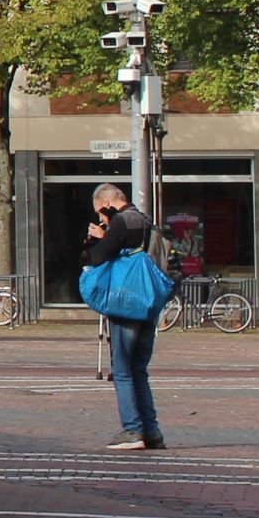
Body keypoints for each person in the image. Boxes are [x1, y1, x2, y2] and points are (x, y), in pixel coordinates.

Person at [83, 182, 167, 452]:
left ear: (107, 202)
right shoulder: (146, 221)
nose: (100, 216)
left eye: (100, 211)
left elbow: (99, 257)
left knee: (121, 369)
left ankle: (132, 430)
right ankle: (152, 432)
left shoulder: (121, 222)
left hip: (125, 301)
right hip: (147, 302)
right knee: (139, 370)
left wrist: (99, 236)